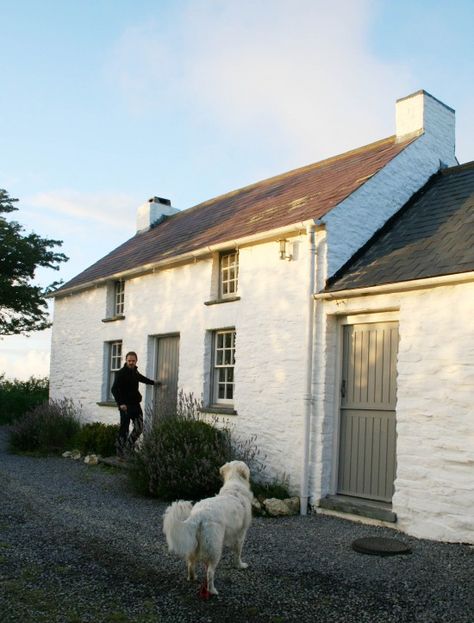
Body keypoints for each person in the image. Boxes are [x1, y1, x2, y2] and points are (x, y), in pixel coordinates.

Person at [111, 351, 159, 459]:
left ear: (136, 361)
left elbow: (142, 379)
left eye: (133, 361)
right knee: (124, 429)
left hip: (136, 405)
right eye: (129, 361)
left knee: (139, 427)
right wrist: (121, 403)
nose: (131, 362)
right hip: (125, 406)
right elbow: (114, 389)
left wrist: (154, 382)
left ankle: (128, 446)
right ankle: (120, 453)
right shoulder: (121, 373)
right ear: (126, 360)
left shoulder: (135, 372)